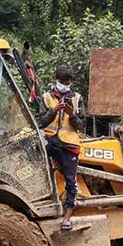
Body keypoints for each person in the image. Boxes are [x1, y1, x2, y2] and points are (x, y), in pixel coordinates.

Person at [38, 65, 85, 230]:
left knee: (71, 182)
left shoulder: (77, 98)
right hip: (50, 142)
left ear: (71, 82)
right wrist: (54, 111)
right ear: (56, 80)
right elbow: (41, 122)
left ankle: (67, 217)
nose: (64, 84)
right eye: (61, 81)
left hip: (69, 144)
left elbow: (80, 126)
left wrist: (72, 115)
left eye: (67, 82)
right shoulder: (46, 97)